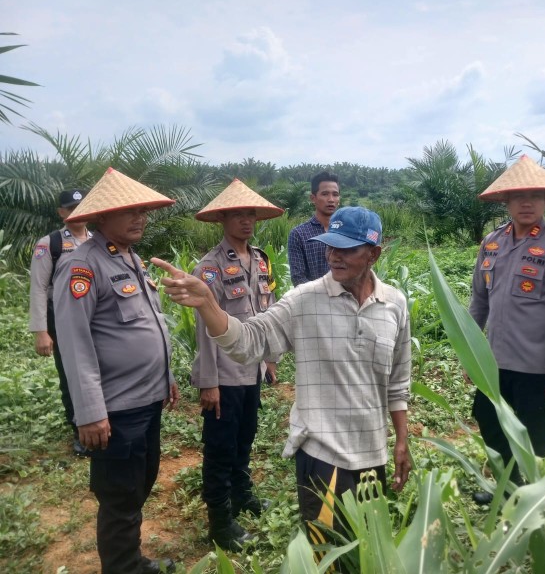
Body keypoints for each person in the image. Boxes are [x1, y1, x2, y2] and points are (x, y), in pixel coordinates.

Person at [152, 206, 412, 550]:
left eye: (346, 249)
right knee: (328, 553)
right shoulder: (304, 300)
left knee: (366, 547)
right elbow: (248, 342)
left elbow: (399, 379)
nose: (333, 256)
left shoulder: (394, 303)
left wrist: (402, 439)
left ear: (374, 254)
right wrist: (208, 304)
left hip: (372, 450)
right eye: (330, 247)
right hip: (322, 453)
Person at [53, 167, 180, 574]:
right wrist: (89, 411)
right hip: (117, 408)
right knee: (119, 495)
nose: (140, 217)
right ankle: (122, 567)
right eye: (130, 211)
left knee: (140, 484)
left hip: (148, 399)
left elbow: (150, 324)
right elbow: (75, 344)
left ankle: (131, 560)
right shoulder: (82, 266)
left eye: (143, 210)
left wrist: (167, 377)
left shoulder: (130, 258)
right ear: (101, 217)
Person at [468, 155, 545, 504]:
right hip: (494, 361)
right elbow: (478, 302)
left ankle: (538, 494)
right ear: (506, 202)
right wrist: (471, 355)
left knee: (537, 433)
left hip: (536, 364)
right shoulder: (492, 243)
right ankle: (507, 486)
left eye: (535, 195)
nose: (527, 202)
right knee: (487, 420)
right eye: (518, 196)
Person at [192, 179, 284, 550]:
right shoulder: (210, 268)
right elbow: (205, 330)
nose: (246, 221)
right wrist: (209, 381)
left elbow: (270, 310)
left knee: (245, 437)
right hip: (225, 373)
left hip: (253, 370)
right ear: (222, 219)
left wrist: (271, 358)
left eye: (251, 214)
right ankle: (219, 519)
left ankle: (241, 494)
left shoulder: (260, 260)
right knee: (220, 446)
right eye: (238, 214)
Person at [29, 188, 91, 455]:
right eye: (70, 208)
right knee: (71, 374)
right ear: (61, 212)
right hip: (62, 317)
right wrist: (41, 331)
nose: (76, 213)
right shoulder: (50, 243)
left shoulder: (97, 240)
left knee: (96, 370)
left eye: (81, 207)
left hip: (94, 316)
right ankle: (79, 428)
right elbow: (39, 288)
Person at [287, 171, 340, 286]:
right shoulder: (299, 234)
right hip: (313, 300)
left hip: (345, 299)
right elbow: (298, 278)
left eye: (335, 194)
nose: (331, 199)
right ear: (313, 198)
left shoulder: (345, 232)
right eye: (325, 194)